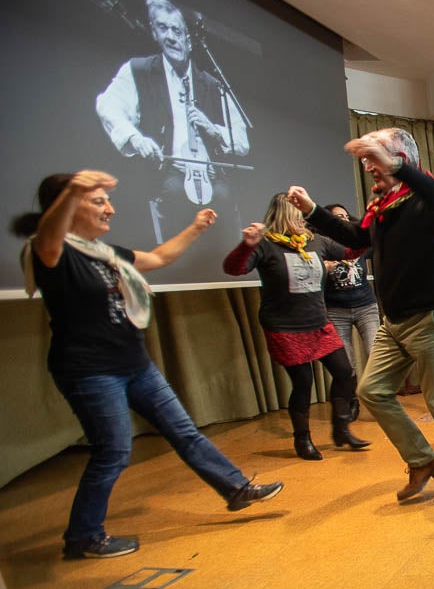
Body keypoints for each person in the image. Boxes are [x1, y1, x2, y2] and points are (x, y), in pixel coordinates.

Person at [13, 171, 281, 558]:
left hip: (135, 363)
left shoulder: (103, 252)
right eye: (98, 201)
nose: (110, 208)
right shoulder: (51, 251)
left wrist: (195, 227)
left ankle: (235, 488)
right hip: (90, 370)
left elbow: (158, 257)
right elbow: (50, 237)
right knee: (114, 451)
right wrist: (73, 189)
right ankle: (83, 537)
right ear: (67, 205)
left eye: (107, 200)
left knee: (184, 432)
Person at [288, 127, 434, 505]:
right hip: (395, 321)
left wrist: (392, 164)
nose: (366, 163)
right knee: (371, 390)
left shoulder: (427, 200)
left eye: (375, 155)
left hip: (431, 316)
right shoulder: (382, 205)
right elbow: (357, 238)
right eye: (367, 156)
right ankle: (422, 460)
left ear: (400, 159)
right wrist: (312, 210)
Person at [223, 194, 368, 460]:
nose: (303, 217)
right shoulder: (265, 245)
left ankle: (341, 428)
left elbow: (351, 252)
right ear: (284, 214)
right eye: (298, 212)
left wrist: (368, 231)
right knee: (303, 383)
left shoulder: (316, 241)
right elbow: (234, 269)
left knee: (345, 372)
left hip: (317, 323)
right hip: (285, 327)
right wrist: (246, 245)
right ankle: (303, 439)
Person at [95, 0, 249, 241]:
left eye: (177, 30)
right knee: (173, 193)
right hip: (168, 174)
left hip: (212, 177)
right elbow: (108, 106)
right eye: (162, 28)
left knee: (225, 198)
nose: (170, 37)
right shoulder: (139, 70)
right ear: (154, 33)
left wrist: (214, 130)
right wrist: (136, 138)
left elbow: (242, 141)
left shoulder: (212, 84)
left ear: (188, 39)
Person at [321, 204, 380, 391]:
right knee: (346, 363)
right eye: (339, 217)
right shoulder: (323, 245)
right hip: (336, 310)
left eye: (346, 216)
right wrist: (324, 267)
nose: (345, 220)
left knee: (375, 353)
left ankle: (380, 395)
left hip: (366, 307)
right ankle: (350, 398)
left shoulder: (358, 242)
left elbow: (379, 247)